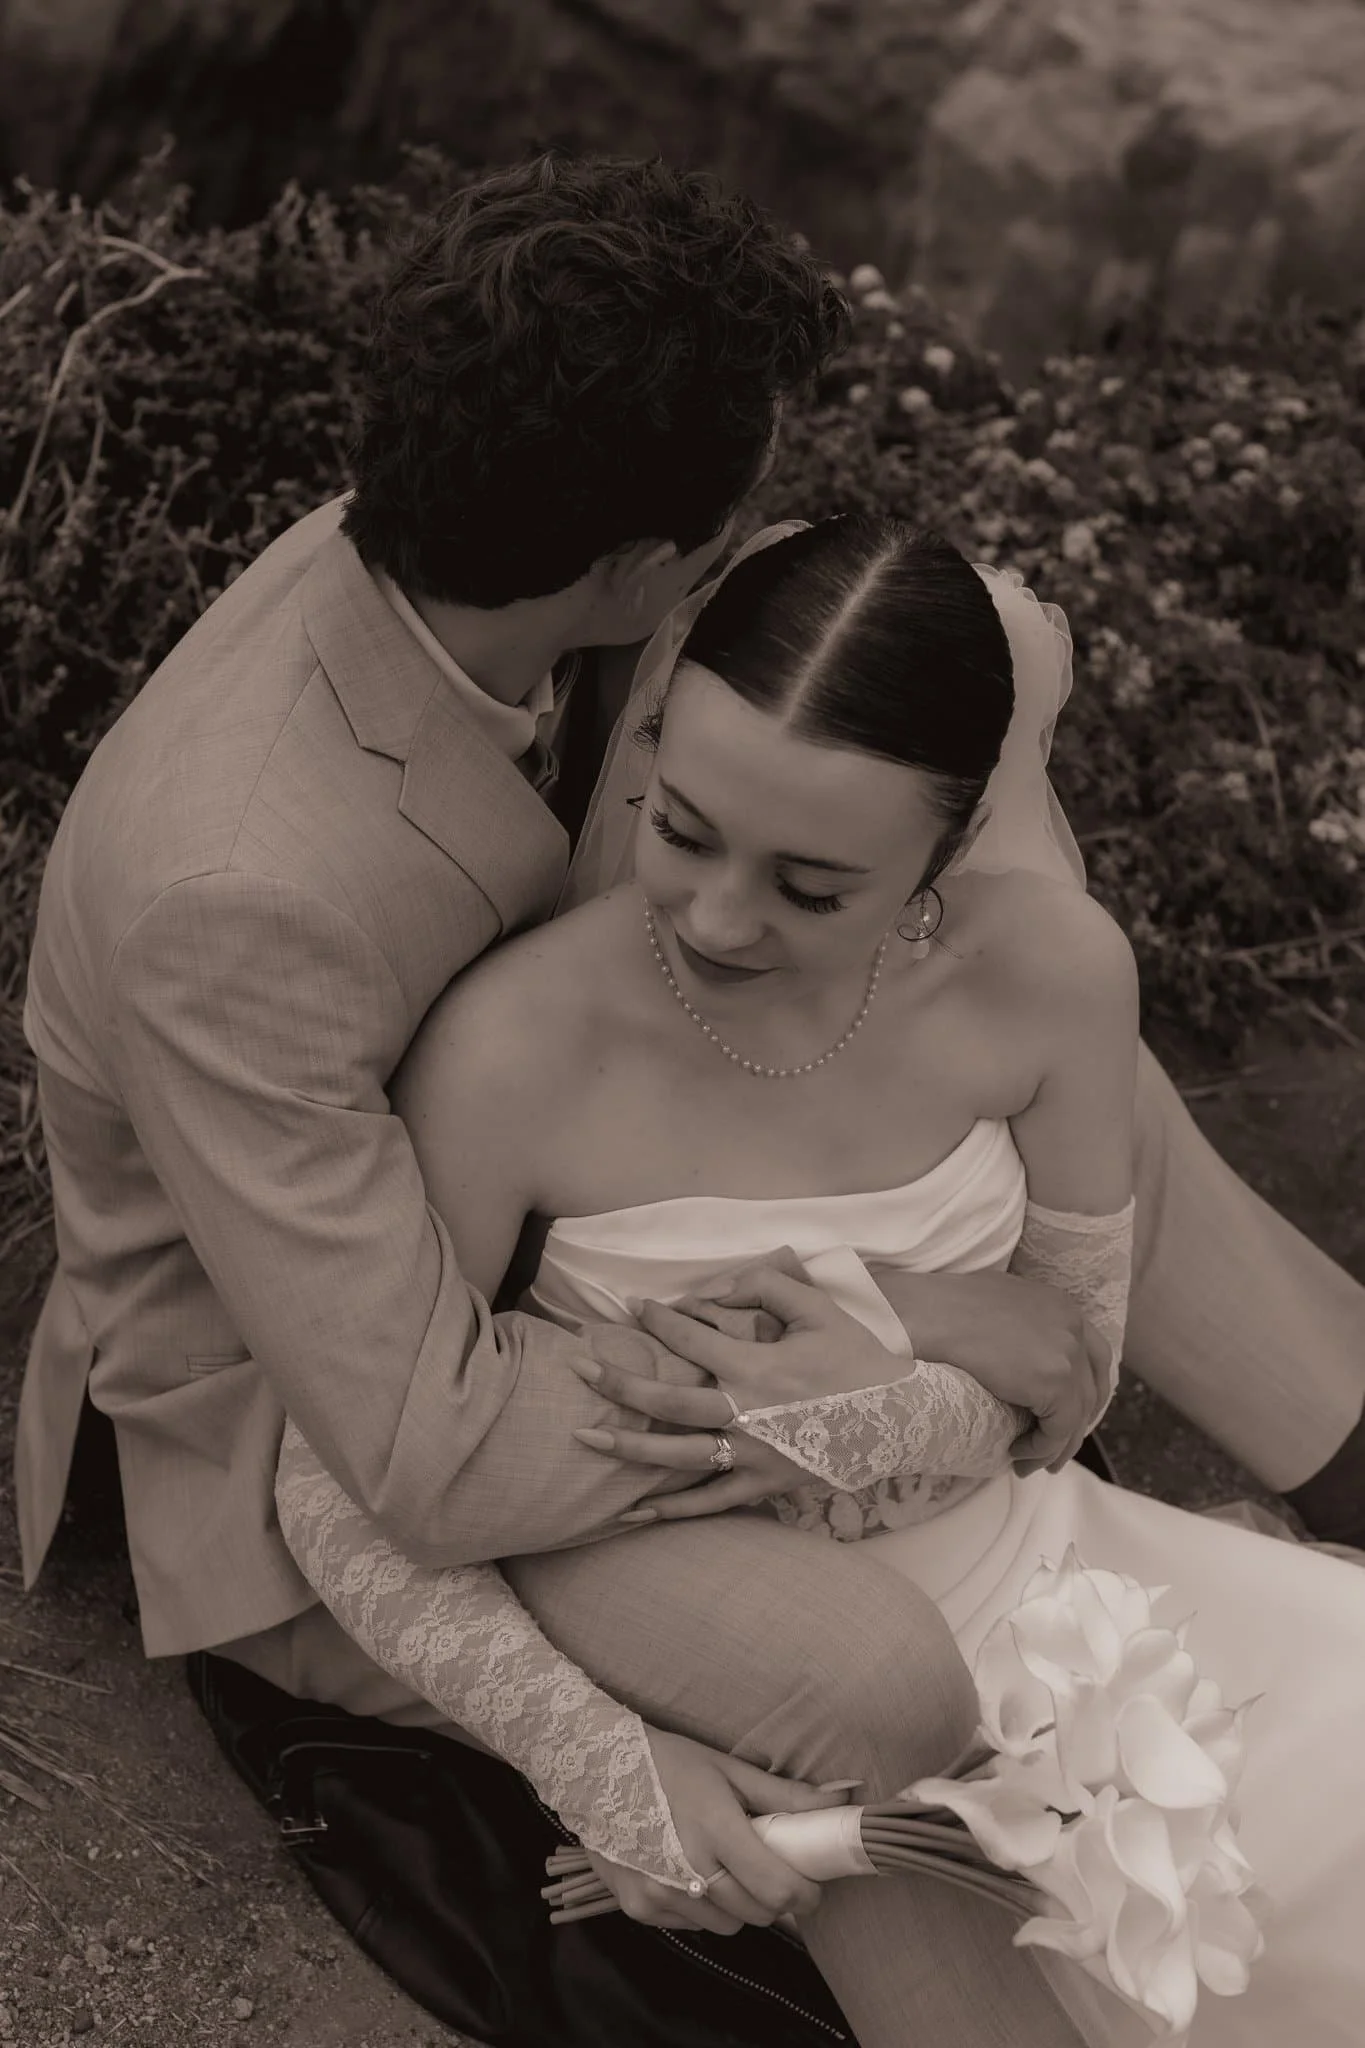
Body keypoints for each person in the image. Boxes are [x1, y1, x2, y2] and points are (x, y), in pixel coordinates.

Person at [12, 148, 1360, 2039]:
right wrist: (903, 1332)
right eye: (725, 522)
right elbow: (416, 1451)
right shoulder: (234, 890)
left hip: (599, 1179)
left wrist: (1013, 1317)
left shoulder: (499, 543)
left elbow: (866, 723)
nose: (750, 538)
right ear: (635, 566)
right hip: (339, 1398)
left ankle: (1335, 1418)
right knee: (891, 1683)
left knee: (1002, 972)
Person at [278, 514, 1365, 2047]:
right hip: (711, 1612)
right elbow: (331, 1483)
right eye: (682, 828)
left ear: (949, 842)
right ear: (648, 748)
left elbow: (1070, 1377)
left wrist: (878, 1370)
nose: (722, 919)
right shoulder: (516, 1049)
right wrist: (600, 1761)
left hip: (1054, 1581)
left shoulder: (1055, 977)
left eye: (813, 886)